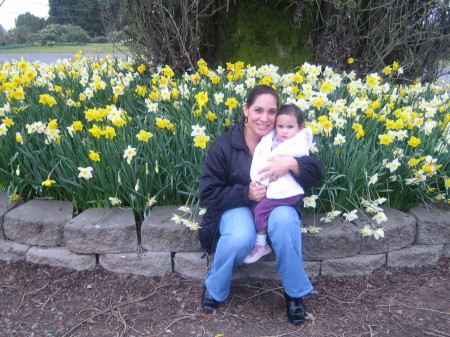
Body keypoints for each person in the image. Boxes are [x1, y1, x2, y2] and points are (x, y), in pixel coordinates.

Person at [198, 85, 322, 325]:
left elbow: (315, 171)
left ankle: (294, 294)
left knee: (286, 224)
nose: (265, 118)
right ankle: (215, 286)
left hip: (277, 206)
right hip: (237, 206)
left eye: (271, 111)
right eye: (258, 110)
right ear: (245, 110)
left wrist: (291, 165)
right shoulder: (225, 145)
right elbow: (208, 192)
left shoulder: (286, 140)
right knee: (239, 236)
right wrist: (246, 193)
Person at [243, 104, 313, 264]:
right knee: (256, 209)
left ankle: (261, 244)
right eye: (280, 126)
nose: (284, 131)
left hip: (287, 192)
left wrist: (288, 163)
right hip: (273, 189)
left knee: (260, 210)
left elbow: (307, 162)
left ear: (300, 128)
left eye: (290, 127)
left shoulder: (298, 142)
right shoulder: (272, 139)